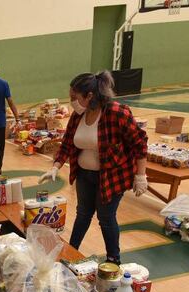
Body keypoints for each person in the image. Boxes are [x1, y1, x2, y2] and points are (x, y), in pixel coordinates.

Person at [41, 71, 148, 264]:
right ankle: (71, 251)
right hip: (84, 175)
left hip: (111, 177)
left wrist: (141, 176)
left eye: (74, 97)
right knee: (83, 213)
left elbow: (139, 144)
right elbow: (67, 143)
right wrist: (55, 166)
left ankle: (113, 260)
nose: (71, 102)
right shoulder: (78, 115)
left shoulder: (117, 113)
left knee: (106, 217)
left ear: (89, 95)